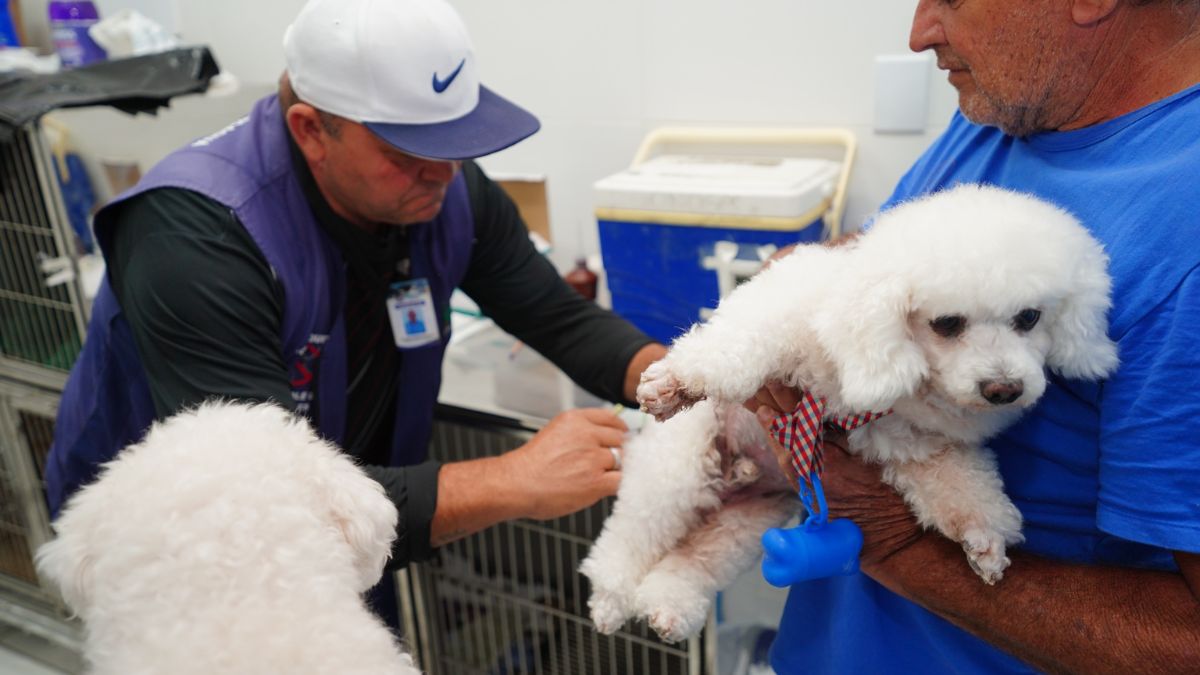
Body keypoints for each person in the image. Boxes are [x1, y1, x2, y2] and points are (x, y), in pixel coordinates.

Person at [44, 0, 665, 609]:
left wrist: (691, 380)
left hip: (352, 515)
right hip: (177, 546)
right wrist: (510, 482)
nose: (444, 175)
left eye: (454, 144)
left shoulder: (444, 189)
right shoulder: (192, 236)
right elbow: (261, 502)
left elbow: (556, 316)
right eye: (406, 155)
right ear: (312, 130)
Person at [753, 1, 1200, 673]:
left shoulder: (1182, 228)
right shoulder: (1005, 113)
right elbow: (892, 261)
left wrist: (898, 541)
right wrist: (821, 279)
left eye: (953, 0)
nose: (919, 33)